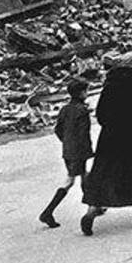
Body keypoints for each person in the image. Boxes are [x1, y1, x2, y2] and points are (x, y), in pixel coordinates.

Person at [81, 51, 132, 235]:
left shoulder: (110, 82)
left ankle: (92, 210)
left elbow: (100, 113)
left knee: (103, 172)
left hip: (109, 137)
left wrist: (110, 126)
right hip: (131, 137)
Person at [39, 78, 97, 229]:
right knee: (71, 181)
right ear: (81, 93)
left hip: (68, 150)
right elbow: (84, 134)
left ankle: (93, 206)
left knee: (81, 176)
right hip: (79, 151)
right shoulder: (82, 111)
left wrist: (66, 142)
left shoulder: (65, 109)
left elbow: (58, 129)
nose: (87, 93)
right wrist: (89, 152)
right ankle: (48, 212)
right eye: (86, 91)